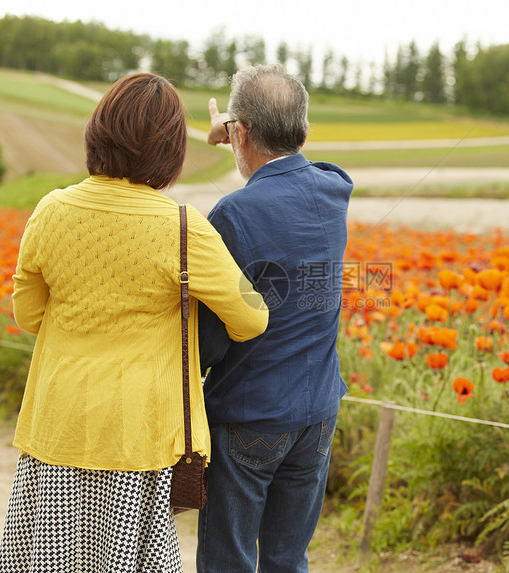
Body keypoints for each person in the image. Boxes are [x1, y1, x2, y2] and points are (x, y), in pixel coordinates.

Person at [0, 72, 269, 573]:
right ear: (170, 151)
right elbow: (251, 320)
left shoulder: (51, 210)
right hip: (137, 435)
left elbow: (28, 314)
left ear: (97, 130)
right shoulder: (185, 229)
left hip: (55, 423)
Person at [196, 64, 354, 573]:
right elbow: (311, 162)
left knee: (230, 559)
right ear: (304, 132)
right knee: (288, 558)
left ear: (238, 133)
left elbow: (213, 336)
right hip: (318, 414)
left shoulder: (234, 214)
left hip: (251, 413)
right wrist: (243, 132)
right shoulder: (334, 192)